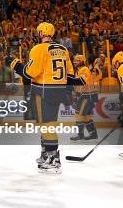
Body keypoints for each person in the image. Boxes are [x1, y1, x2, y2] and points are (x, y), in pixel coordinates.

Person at [6, 22, 82, 173]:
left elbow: (29, 73)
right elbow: (70, 73)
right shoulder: (63, 49)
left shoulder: (39, 48)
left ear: (40, 33)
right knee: (46, 122)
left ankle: (53, 159)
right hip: (58, 89)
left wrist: (14, 63)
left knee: (46, 123)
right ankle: (46, 153)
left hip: (44, 89)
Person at [69, 54, 99, 141]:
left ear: (82, 61)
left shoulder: (84, 69)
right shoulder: (77, 71)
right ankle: (93, 134)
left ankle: (80, 135)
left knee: (79, 115)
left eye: (77, 60)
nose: (75, 62)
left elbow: (81, 82)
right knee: (86, 117)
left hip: (87, 95)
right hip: (84, 95)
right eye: (75, 60)